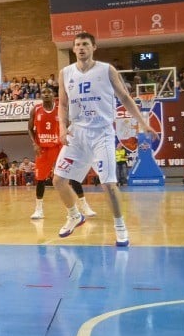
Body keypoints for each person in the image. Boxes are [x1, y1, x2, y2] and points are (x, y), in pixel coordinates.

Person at [52, 32, 157, 246]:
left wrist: (144, 123)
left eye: (85, 44)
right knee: (58, 180)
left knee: (108, 184)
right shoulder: (65, 73)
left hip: (102, 132)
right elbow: (62, 104)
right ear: (73, 49)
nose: (81, 48)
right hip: (77, 132)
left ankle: (120, 226)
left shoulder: (106, 69)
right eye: (78, 45)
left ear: (94, 47)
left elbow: (125, 98)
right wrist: (62, 127)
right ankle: (74, 215)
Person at [27, 86, 95, 220]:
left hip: (60, 147)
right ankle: (38, 209)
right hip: (43, 149)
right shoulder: (35, 110)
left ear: (54, 95)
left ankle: (84, 205)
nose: (46, 94)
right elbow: (30, 129)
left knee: (72, 176)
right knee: (40, 179)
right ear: (41, 95)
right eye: (44, 92)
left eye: (49, 92)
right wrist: (34, 143)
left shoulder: (61, 109)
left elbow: (70, 126)